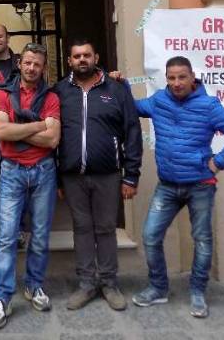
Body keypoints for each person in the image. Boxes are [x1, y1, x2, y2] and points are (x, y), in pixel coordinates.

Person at [131, 56, 224, 318]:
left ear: (192, 77)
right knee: (151, 236)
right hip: (167, 185)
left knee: (202, 240)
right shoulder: (158, 101)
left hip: (200, 185)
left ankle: (198, 292)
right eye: (171, 78)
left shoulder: (208, 106)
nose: (176, 83)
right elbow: (131, 107)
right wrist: (114, 84)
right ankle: (158, 288)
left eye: (181, 77)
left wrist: (219, 162)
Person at [55, 39, 143, 311]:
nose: (82, 60)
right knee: (81, 229)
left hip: (108, 175)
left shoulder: (116, 89)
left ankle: (109, 282)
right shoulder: (59, 91)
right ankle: (86, 284)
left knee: (105, 229)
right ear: (69, 61)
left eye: (87, 55)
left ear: (96, 57)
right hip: (72, 176)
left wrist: (131, 176)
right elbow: (52, 136)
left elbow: (132, 131)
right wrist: (57, 178)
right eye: (77, 56)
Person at [0, 43, 61, 329]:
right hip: (12, 171)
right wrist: (38, 125)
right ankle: (2, 297)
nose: (32, 68)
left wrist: (19, 130)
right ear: (20, 63)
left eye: (37, 64)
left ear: (43, 67)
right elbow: (0, 131)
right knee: (6, 236)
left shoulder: (51, 97)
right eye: (28, 63)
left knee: (40, 235)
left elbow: (53, 140)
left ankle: (33, 285)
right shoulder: (4, 93)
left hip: (43, 171)